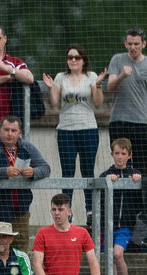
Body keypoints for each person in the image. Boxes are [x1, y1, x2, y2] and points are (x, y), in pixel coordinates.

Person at [42, 44, 105, 217]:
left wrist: (98, 85)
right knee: (67, 172)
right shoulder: (61, 77)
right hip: (66, 130)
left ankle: (90, 211)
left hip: (88, 128)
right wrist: (51, 87)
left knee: (87, 171)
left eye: (77, 57)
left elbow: (98, 103)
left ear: (84, 60)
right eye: (70, 57)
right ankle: (65, 212)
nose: (73, 60)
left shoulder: (91, 76)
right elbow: (54, 103)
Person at [0, 116, 50, 247]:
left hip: (21, 210)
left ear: (19, 133)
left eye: (13, 130)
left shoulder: (27, 147)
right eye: (6, 130)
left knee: (21, 251)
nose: (10, 134)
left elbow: (45, 168)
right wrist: (5, 172)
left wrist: (33, 172)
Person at [106, 28, 147, 174]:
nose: (133, 47)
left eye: (136, 44)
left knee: (140, 168)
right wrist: (121, 76)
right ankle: (119, 197)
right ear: (125, 44)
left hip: (142, 123)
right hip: (119, 122)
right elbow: (110, 87)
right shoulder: (117, 60)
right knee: (120, 167)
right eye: (130, 44)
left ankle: (138, 198)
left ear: (144, 44)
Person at [98, 138, 143, 275]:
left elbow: (142, 198)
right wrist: (106, 180)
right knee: (110, 257)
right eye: (116, 153)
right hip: (107, 225)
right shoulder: (106, 174)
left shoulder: (135, 173)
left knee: (117, 253)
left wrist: (139, 180)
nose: (119, 156)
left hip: (124, 225)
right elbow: (97, 186)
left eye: (123, 153)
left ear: (129, 155)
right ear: (112, 154)